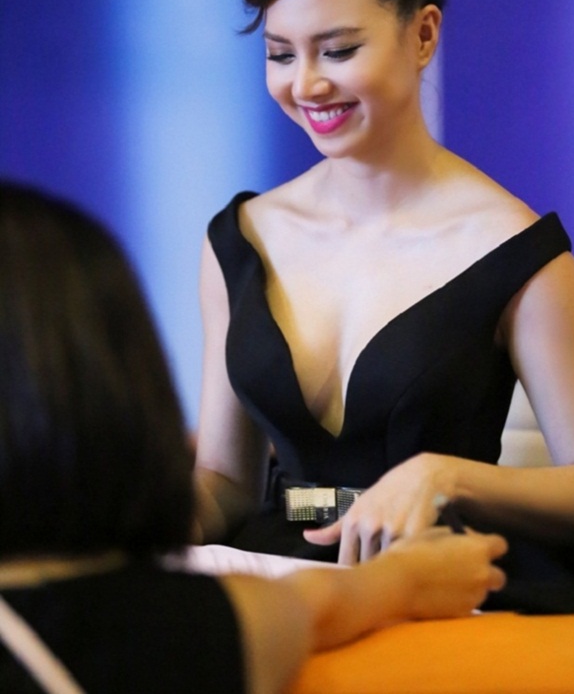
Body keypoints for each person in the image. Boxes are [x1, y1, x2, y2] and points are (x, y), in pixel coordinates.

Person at [194, 0, 574, 614]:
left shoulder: (515, 251)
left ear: (424, 33)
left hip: (460, 585)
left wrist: (445, 475)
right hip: (291, 580)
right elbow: (226, 483)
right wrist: (133, 519)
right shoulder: (240, 241)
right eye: (280, 55)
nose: (306, 84)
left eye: (339, 50)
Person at [0, 181, 508, 694]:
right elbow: (311, 603)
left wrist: (442, 481)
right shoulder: (186, 630)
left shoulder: (506, 241)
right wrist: (401, 580)